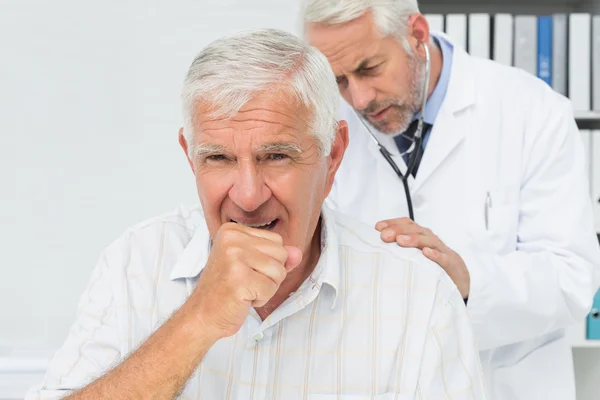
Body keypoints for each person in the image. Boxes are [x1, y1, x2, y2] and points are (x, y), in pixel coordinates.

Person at [26, 28, 488, 399]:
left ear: (333, 155)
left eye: (277, 156)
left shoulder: (417, 295)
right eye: (218, 159)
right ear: (190, 157)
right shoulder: (135, 264)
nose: (247, 197)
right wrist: (197, 320)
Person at [301, 1, 600, 399]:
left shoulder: (533, 111)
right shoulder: (327, 129)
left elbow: (572, 279)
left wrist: (466, 280)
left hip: (506, 385)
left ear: (417, 34)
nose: (358, 99)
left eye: (369, 69)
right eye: (339, 80)